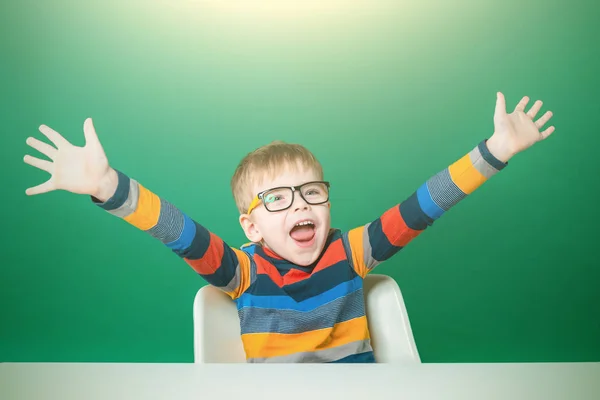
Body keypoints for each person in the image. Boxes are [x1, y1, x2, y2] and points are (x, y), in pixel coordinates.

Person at [23, 92, 555, 363]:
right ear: (250, 225)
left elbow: (424, 205)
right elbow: (177, 230)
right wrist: (108, 186)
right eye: (276, 199)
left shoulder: (352, 252)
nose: (299, 207)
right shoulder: (243, 270)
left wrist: (495, 151)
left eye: (310, 193)